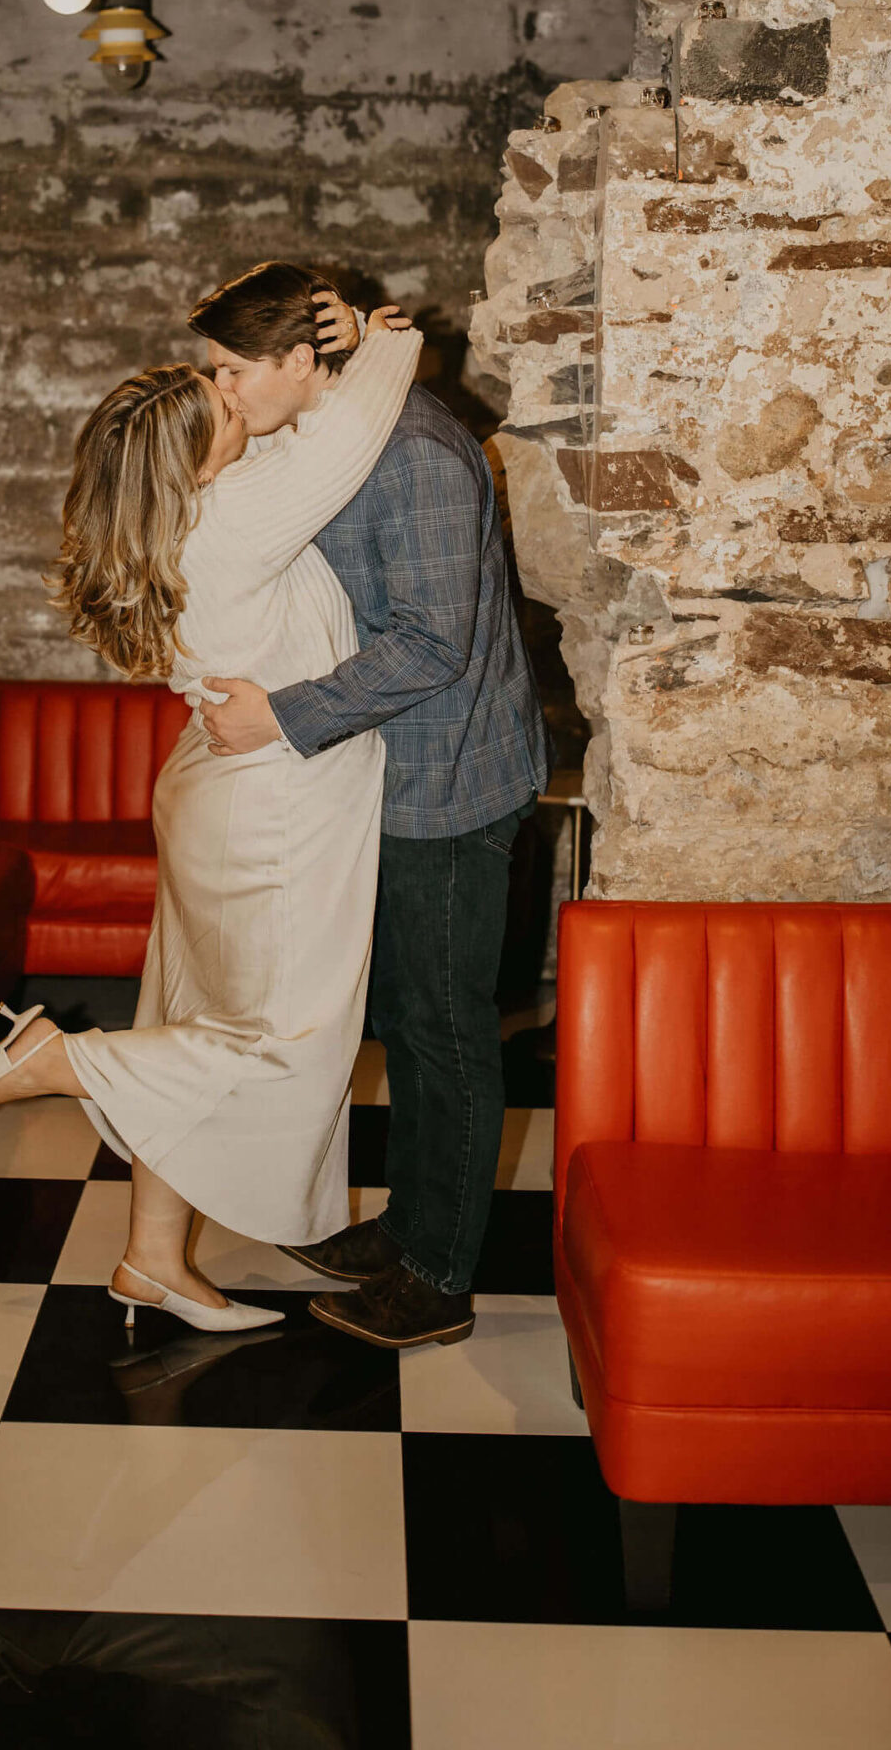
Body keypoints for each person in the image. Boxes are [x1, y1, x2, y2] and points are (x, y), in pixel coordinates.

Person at [0, 295, 422, 1337]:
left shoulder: (177, 515)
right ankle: (55, 1061)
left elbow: (292, 439)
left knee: (188, 1018)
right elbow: (354, 422)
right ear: (196, 461)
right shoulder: (238, 514)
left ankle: (153, 1259)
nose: (240, 398)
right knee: (283, 1042)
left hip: (217, 786)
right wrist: (381, 335)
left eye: (226, 381)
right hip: (277, 812)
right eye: (223, 403)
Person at [191, 261, 548, 1353]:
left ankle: (439, 1275)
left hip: (449, 783)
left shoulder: (417, 456)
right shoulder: (336, 432)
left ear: (303, 361)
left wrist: (284, 716)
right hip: (385, 775)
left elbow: (436, 643)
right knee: (404, 1017)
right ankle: (410, 1223)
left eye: (229, 370)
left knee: (445, 1033)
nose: (217, 391)